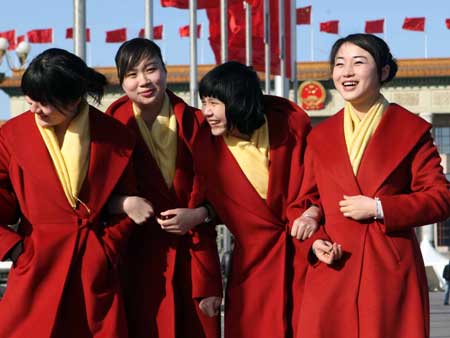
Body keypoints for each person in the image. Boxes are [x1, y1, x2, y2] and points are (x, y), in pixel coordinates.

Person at [297, 33, 450, 338]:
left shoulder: (410, 130)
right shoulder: (320, 135)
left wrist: (380, 207)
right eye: (339, 64)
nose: (346, 72)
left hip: (388, 268)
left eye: (359, 62)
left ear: (382, 72)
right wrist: (314, 236)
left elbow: (441, 197)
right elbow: (307, 200)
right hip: (333, 265)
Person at [0, 48, 138, 337]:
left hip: (92, 267)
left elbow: (128, 204)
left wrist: (105, 250)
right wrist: (15, 248)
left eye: (44, 103)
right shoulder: (11, 135)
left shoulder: (115, 137)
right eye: (30, 101)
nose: (34, 110)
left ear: (74, 100)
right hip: (36, 267)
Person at [193, 61, 321, 338]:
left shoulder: (290, 125)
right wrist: (208, 286)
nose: (206, 112)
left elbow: (319, 185)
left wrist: (313, 212)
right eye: (204, 103)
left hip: (302, 260)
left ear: (238, 100)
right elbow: (201, 227)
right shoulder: (204, 149)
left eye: (214, 103)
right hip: (252, 273)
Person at [105, 38, 222, 338]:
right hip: (135, 256)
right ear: (121, 82)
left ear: (165, 71)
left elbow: (229, 193)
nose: (143, 81)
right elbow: (90, 194)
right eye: (131, 74)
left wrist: (198, 214)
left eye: (151, 69)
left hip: (193, 253)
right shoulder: (109, 128)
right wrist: (124, 203)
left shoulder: (197, 122)